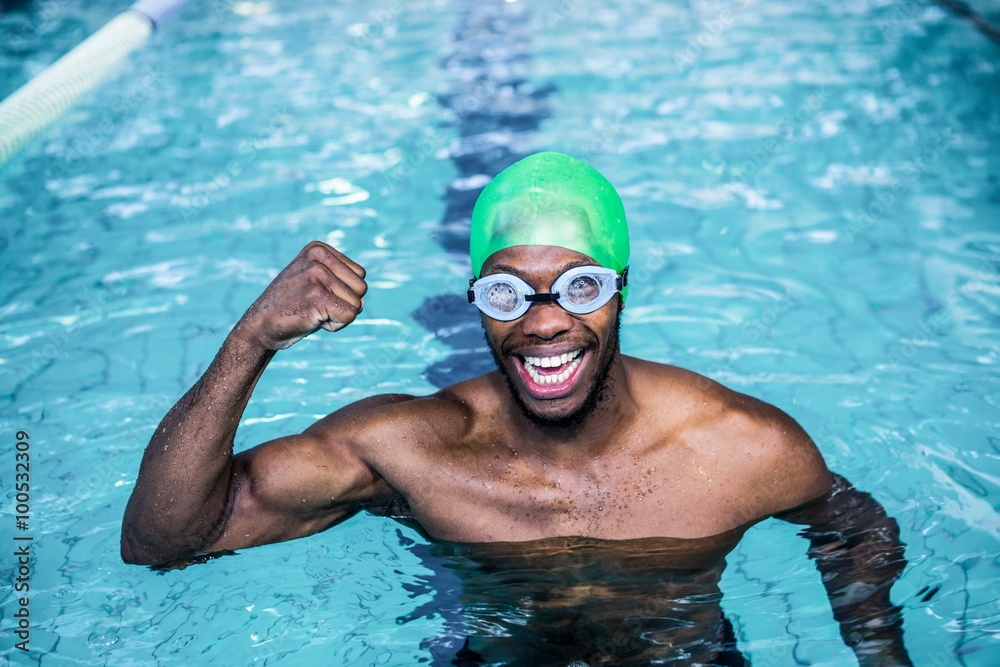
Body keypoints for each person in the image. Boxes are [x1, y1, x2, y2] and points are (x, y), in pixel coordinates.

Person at [122, 152, 912, 665]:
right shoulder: (413, 449)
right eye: (506, 290)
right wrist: (252, 338)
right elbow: (163, 539)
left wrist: (880, 649)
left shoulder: (740, 446)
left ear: (621, 288)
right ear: (475, 298)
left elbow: (851, 524)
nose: (543, 322)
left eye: (581, 286)